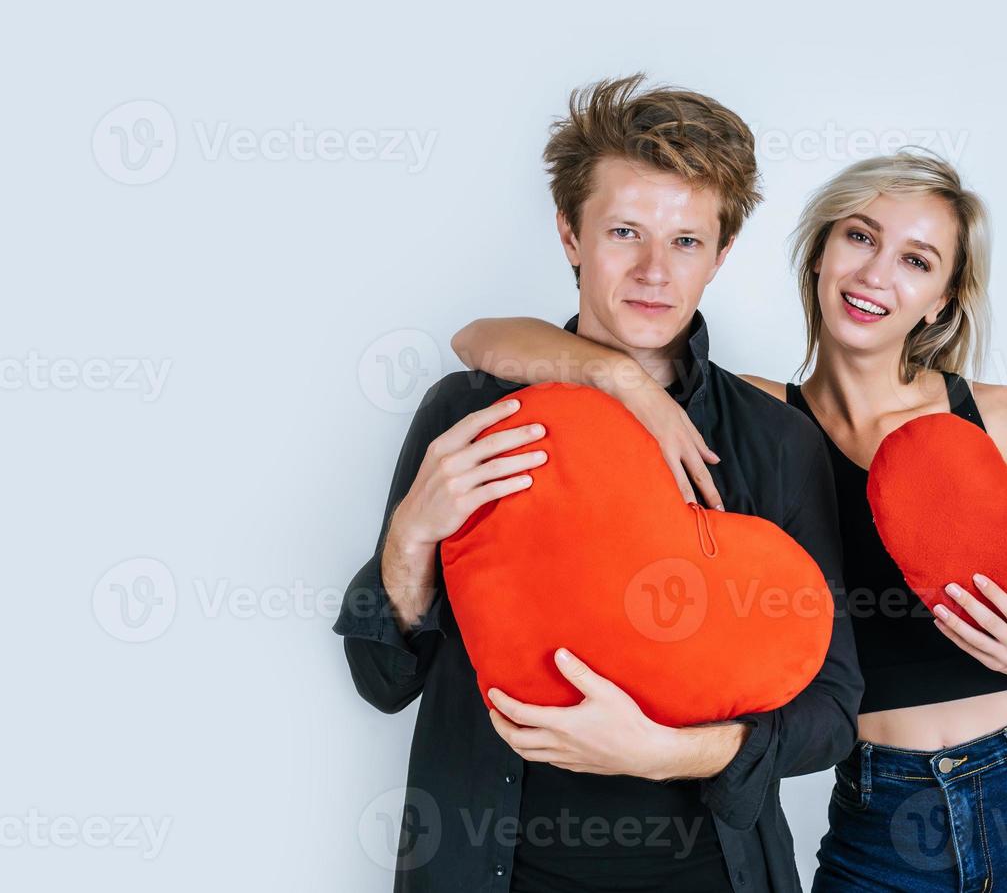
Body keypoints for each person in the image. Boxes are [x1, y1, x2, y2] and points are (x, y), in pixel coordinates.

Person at [451, 150, 1007, 890]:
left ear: (940, 298)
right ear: (820, 255)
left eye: (916, 259)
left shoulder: (1003, 421)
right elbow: (480, 340)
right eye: (860, 238)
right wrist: (621, 381)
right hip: (880, 809)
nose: (876, 274)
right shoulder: (761, 424)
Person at [334, 74, 861, 893]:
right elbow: (383, 681)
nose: (655, 271)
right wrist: (409, 536)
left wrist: (670, 754)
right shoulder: (472, 411)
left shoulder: (777, 442)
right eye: (624, 231)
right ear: (570, 235)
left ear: (722, 255)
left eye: (686, 241)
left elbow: (831, 713)